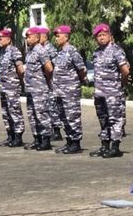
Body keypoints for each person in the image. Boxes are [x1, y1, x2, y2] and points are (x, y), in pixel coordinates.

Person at [89, 23, 130, 158]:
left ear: (110, 36)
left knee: (115, 119)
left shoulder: (116, 51)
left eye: (103, 35)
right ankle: (104, 145)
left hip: (113, 92)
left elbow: (125, 71)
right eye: (98, 36)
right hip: (99, 92)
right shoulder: (96, 52)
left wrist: (120, 86)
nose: (101, 38)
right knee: (103, 120)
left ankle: (115, 147)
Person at [51, 25, 87, 154]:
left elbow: (82, 70)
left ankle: (76, 143)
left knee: (72, 117)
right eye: (55, 36)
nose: (56, 38)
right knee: (63, 117)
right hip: (59, 91)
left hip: (70, 91)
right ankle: (69, 141)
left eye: (58, 36)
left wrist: (76, 83)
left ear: (66, 37)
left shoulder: (72, 51)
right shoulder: (59, 52)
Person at [24, 27, 54, 151]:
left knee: (42, 114)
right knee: (32, 115)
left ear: (37, 37)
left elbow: (49, 68)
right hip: (30, 89)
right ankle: (37, 139)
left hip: (39, 89)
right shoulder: (30, 51)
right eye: (26, 37)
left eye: (29, 36)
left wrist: (44, 81)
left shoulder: (40, 50)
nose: (27, 39)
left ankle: (46, 140)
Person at [0, 28, 25, 147]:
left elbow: (20, 69)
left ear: (8, 39)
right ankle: (10, 136)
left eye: (1, 38)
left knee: (14, 111)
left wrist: (20, 83)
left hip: (12, 87)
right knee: (6, 112)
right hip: (4, 87)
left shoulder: (14, 51)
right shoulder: (2, 52)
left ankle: (18, 137)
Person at [38, 26, 63, 141]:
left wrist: (49, 79)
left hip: (51, 81)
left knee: (52, 106)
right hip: (45, 81)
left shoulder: (49, 49)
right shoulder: (41, 48)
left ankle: (57, 131)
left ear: (45, 36)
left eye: (40, 36)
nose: (38, 39)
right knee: (48, 105)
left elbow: (53, 67)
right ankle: (53, 129)